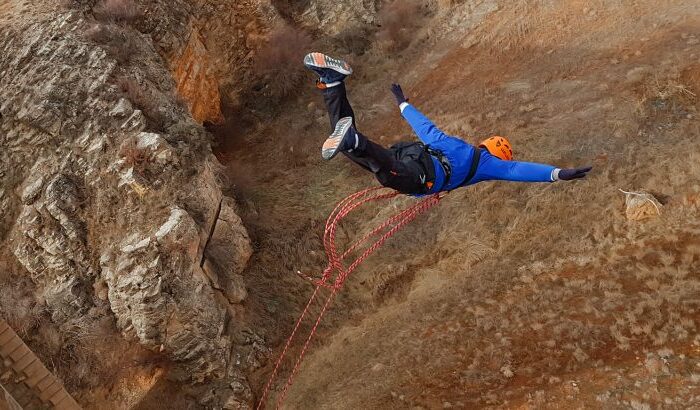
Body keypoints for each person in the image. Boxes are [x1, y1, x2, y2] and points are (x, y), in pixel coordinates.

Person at [303, 52, 592, 196]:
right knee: (383, 171)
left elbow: (425, 128)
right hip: (420, 173)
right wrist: (557, 173)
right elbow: (517, 170)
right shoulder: (485, 166)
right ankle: (355, 140)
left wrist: (403, 103)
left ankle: (332, 83)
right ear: (497, 154)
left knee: (348, 146)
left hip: (413, 153)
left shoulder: (453, 143)